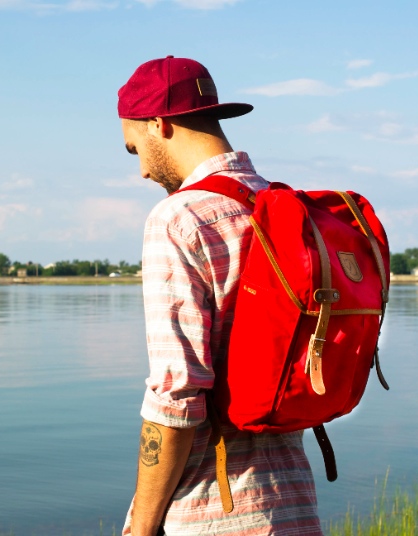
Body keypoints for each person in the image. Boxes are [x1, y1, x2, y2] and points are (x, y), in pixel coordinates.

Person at [118, 56, 323, 536]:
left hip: (214, 510)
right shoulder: (286, 208)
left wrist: (141, 526)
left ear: (158, 124)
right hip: (293, 502)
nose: (143, 172)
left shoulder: (179, 217)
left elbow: (177, 396)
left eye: (134, 150)